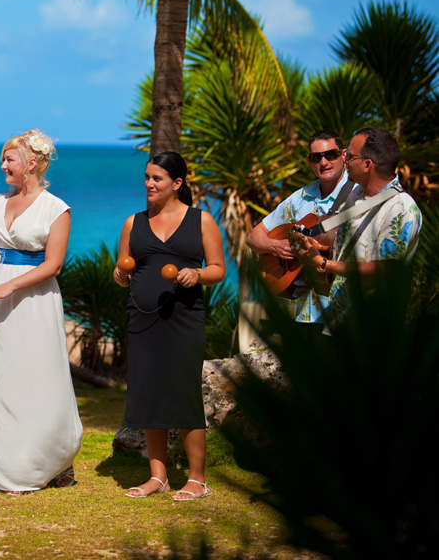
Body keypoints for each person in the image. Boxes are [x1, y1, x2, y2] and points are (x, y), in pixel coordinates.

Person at [0, 129, 83, 494]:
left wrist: (9, 286)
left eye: (9, 159)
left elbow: (53, 265)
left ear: (31, 164)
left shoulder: (55, 208)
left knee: (33, 376)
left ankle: (44, 461)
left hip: (31, 303)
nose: (2, 165)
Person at [112, 151, 225, 501]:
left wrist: (197, 273)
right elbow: (122, 270)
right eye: (146, 177)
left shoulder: (201, 221)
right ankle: (158, 476)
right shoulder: (133, 222)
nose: (148, 183)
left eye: (156, 178)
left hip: (184, 318)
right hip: (142, 317)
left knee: (183, 391)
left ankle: (197, 479)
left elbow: (218, 268)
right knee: (148, 391)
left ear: (177, 183)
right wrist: (120, 274)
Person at [297, 127, 421, 318]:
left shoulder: (401, 207)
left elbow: (383, 270)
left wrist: (324, 263)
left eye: (350, 156)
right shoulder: (356, 195)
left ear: (367, 165)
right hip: (339, 322)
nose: (344, 160)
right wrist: (307, 240)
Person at [247, 130, 351, 323]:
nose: (324, 162)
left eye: (331, 154)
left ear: (344, 155)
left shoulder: (359, 194)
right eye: (316, 157)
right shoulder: (300, 198)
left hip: (347, 313)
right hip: (307, 314)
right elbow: (254, 236)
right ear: (309, 160)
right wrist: (276, 246)